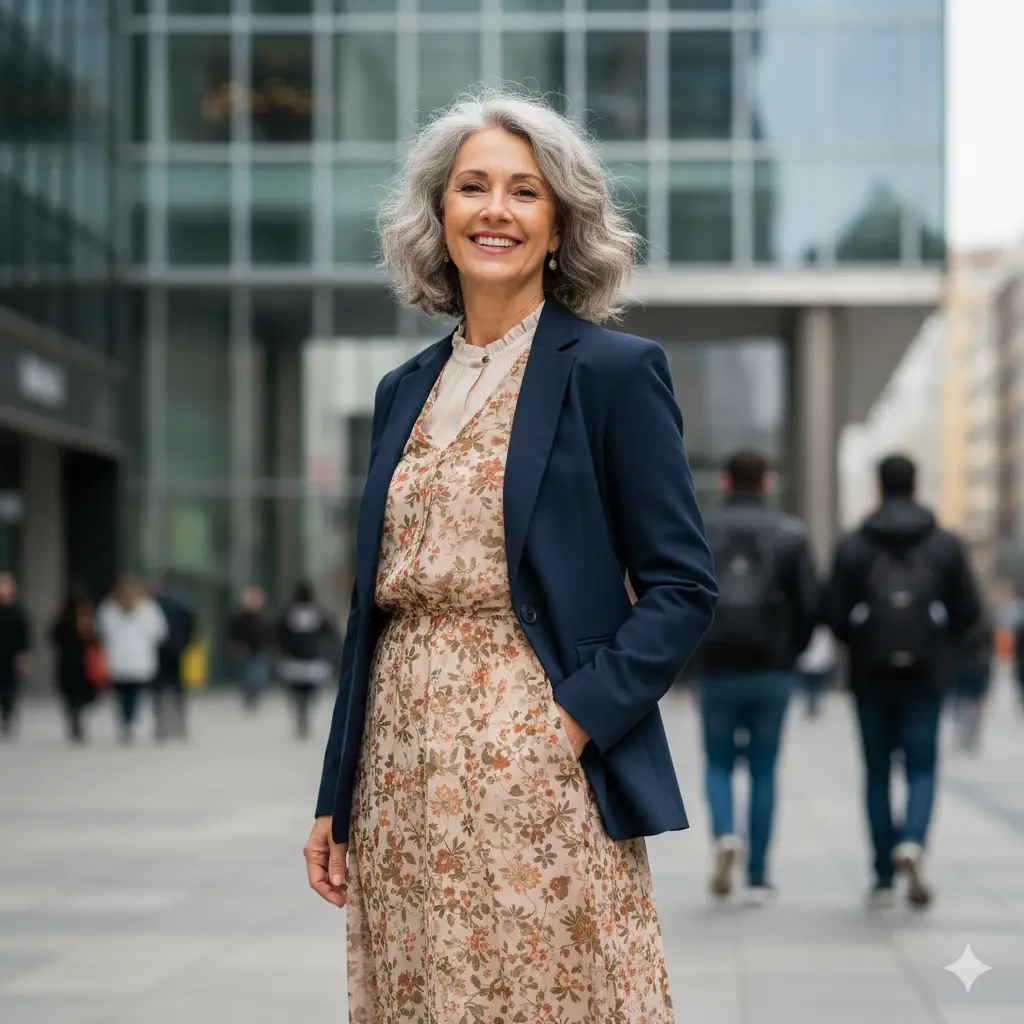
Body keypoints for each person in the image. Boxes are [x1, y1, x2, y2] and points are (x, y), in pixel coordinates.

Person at [302, 87, 717, 1022]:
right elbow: (371, 613)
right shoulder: (400, 389)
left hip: (535, 775)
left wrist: (566, 726)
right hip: (399, 777)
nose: (496, 210)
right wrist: (338, 792)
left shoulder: (613, 372)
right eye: (473, 187)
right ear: (437, 217)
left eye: (525, 192)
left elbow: (682, 587)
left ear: (562, 225)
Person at [824, 453, 981, 910]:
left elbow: (832, 613)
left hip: (870, 676)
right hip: (927, 675)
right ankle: (912, 841)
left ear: (878, 487)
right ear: (917, 486)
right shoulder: (945, 544)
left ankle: (882, 875)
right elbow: (969, 613)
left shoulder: (854, 544)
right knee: (921, 767)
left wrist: (859, 639)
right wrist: (939, 643)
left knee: (876, 772)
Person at [695, 450, 818, 905]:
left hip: (716, 665)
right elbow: (810, 604)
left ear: (726, 483)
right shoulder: (790, 534)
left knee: (718, 761)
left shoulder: (702, 529)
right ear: (766, 483)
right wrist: (792, 651)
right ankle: (759, 876)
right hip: (771, 667)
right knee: (764, 767)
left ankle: (726, 832)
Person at [96, 574, 168, 744]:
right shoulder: (148, 608)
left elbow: (101, 632)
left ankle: (125, 722)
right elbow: (159, 633)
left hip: (119, 660)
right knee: (134, 695)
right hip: (139, 659)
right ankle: (129, 722)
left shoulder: (108, 608)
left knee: (121, 695)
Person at [276, 582, 336, 740]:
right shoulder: (318, 613)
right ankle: (303, 714)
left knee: (298, 693)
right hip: (310, 660)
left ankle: (301, 714)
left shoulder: (288, 612)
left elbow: (279, 634)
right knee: (309, 693)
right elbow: (330, 632)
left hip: (295, 660)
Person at [49, 584, 99, 744]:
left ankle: (75, 716)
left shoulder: (69, 618)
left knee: (74, 697)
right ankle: (76, 717)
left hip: (73, 663)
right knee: (77, 696)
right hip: (78, 662)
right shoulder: (70, 619)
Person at [152, 571, 197, 741]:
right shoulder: (181, 603)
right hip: (175, 650)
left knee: (163, 688)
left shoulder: (155, 604)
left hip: (164, 651)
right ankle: (177, 723)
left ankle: (165, 723)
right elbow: (191, 626)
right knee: (176, 688)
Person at [950, 613, 994, 754]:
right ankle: (971, 740)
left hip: (962, 669)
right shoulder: (985, 625)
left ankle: (962, 738)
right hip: (977, 669)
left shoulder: (958, 625)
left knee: (961, 706)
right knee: (974, 707)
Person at [228, 586, 271, 711]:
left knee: (257, 675)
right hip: (244, 650)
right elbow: (233, 632)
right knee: (245, 675)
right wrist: (237, 645)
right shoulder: (239, 617)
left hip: (258, 650)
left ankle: (254, 696)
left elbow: (268, 633)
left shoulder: (262, 617)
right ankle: (248, 696)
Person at [0, 573, 30, 739]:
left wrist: (24, 655)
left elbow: (24, 636)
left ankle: (8, 715)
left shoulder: (17, 612)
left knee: (10, 689)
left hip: (11, 656)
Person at [797, 624, 837, 719]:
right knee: (814, 688)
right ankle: (813, 707)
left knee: (813, 688)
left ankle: (813, 707)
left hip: (813, 666)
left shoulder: (821, 631)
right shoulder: (825, 631)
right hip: (813, 666)